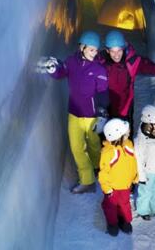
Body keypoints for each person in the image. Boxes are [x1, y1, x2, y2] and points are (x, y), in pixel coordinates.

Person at [37, 31, 109, 194]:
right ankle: (87, 181)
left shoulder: (99, 69)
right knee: (77, 148)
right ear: (82, 48)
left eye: (96, 50)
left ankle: (100, 169)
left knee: (94, 145)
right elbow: (60, 73)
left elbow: (103, 92)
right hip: (74, 113)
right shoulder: (71, 62)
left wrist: (103, 112)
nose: (94, 53)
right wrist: (53, 69)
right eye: (91, 49)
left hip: (91, 116)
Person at [99, 30, 155, 124]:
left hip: (124, 111)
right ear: (107, 50)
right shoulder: (100, 63)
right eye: (113, 51)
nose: (116, 55)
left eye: (119, 50)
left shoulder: (132, 62)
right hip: (104, 110)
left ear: (124, 48)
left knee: (124, 136)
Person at [98, 118, 138, 236]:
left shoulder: (129, 145)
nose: (129, 132)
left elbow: (134, 162)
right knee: (110, 206)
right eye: (126, 132)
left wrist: (136, 177)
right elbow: (103, 173)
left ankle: (125, 223)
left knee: (124, 204)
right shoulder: (108, 152)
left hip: (125, 186)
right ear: (118, 136)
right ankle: (113, 225)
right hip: (113, 188)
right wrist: (107, 189)